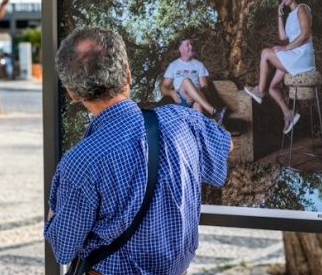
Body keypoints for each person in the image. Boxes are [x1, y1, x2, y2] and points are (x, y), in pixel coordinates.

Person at [44, 26, 232, 274]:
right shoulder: (185, 121)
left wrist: (53, 214)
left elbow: (63, 248)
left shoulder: (81, 162)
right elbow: (226, 145)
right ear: (128, 76)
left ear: (73, 93)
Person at [244, 0, 316, 134]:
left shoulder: (302, 8)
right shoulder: (290, 15)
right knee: (272, 88)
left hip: (302, 56)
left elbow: (305, 34)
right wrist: (279, 14)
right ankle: (289, 114)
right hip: (293, 55)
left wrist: (286, 48)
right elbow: (283, 37)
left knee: (265, 53)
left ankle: (259, 91)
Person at [161, 37, 227, 125]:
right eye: (187, 45)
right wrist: (171, 93)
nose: (191, 47)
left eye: (191, 44)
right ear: (180, 49)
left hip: (197, 98)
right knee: (186, 81)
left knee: (198, 106)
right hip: (182, 100)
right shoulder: (173, 65)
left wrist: (193, 96)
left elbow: (205, 87)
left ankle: (199, 132)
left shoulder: (199, 65)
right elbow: (163, 87)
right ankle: (213, 111)